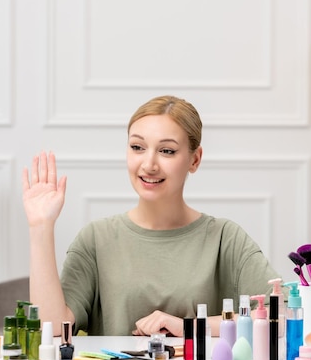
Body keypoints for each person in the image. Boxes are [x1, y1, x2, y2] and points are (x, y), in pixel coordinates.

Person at [23, 95, 284, 337]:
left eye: (167, 151)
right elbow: (53, 330)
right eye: (137, 147)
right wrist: (40, 227)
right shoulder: (95, 239)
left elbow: (281, 316)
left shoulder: (224, 238)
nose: (148, 164)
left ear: (195, 160)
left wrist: (187, 327)